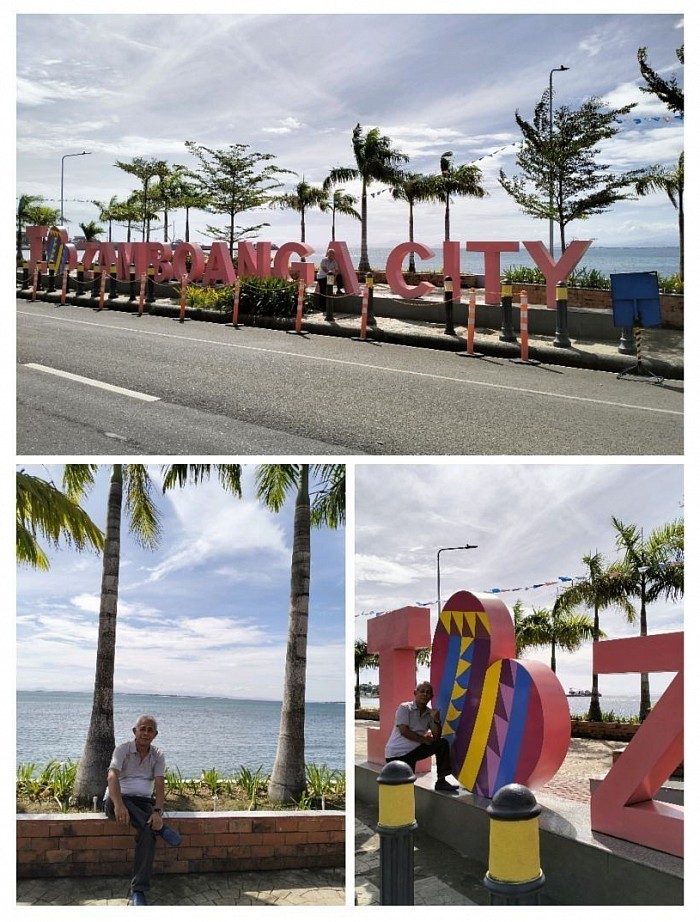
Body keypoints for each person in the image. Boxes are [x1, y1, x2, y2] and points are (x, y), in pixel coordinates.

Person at [104, 715, 181, 905]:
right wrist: (119, 805)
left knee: (148, 833)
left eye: (150, 730)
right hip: (117, 800)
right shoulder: (122, 750)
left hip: (144, 803)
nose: (146, 733)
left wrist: (157, 811)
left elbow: (160, 784)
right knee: (148, 824)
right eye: (143, 728)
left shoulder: (158, 755)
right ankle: (162, 829)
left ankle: (139, 890)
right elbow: (112, 776)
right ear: (135, 731)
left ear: (155, 735)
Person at [385, 682, 460, 792]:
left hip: (414, 751)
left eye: (428, 692)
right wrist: (424, 739)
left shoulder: (430, 714)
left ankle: (441, 781)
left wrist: (436, 720)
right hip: (397, 753)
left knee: (442, 743)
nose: (425, 694)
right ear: (415, 693)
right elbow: (404, 731)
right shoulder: (405, 708)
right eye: (422, 691)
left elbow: (437, 737)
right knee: (404, 787)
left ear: (431, 697)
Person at [317, 248, 341, 319]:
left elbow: (336, 271)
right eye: (330, 253)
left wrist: (334, 277)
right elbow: (324, 269)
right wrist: (331, 272)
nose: (331, 255)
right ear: (328, 254)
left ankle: (339, 289)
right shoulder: (324, 260)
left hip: (329, 277)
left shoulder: (334, 262)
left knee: (340, 276)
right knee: (323, 291)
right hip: (322, 277)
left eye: (333, 254)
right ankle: (322, 306)